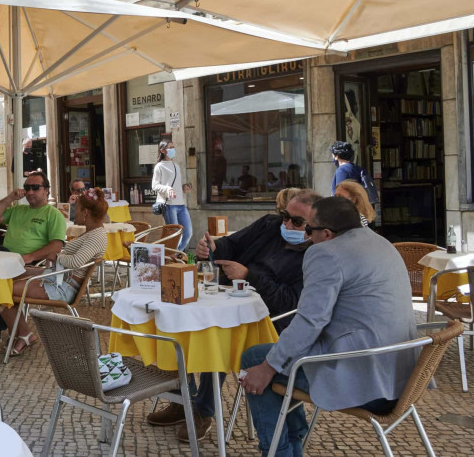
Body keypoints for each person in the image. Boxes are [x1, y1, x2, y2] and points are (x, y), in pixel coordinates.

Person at [239, 197, 418, 456]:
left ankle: (279, 450)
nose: (307, 236)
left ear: (326, 233)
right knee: (278, 358)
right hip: (402, 378)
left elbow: (311, 321)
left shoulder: (325, 252)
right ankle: (294, 437)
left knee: (256, 358)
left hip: (367, 382)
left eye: (309, 229)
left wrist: (267, 368)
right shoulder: (382, 243)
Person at [150, 189, 322, 442]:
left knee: (217, 333)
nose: (286, 224)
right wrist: (211, 247)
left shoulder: (316, 255)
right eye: (285, 216)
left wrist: (249, 275)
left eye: (297, 222)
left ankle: (203, 410)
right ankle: (182, 397)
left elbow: (289, 302)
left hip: (270, 321)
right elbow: (232, 244)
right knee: (178, 317)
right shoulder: (268, 225)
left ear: (314, 225)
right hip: (229, 297)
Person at [0, 187, 109, 355]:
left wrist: (57, 256)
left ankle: (23, 334)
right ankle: (22, 333)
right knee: (8, 275)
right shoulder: (92, 232)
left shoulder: (97, 236)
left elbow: (76, 262)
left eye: (76, 209)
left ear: (85, 212)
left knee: (1, 290)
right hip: (60, 277)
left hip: (64, 287)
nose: (74, 213)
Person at [0, 171, 66, 347]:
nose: (30, 192)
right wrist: (9, 198)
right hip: (6, 258)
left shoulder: (53, 214)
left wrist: (30, 256)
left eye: (35, 188)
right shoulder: (18, 210)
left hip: (30, 265)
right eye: (27, 187)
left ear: (47, 191)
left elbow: (56, 246)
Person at [152, 140, 192, 252]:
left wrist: (184, 188)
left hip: (181, 205)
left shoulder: (176, 166)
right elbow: (154, 185)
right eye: (170, 147)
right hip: (169, 205)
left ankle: (174, 255)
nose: (173, 149)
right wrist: (167, 188)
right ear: (162, 150)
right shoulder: (159, 166)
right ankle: (173, 257)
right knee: (174, 235)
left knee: (188, 233)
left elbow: (176, 185)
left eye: (173, 147)